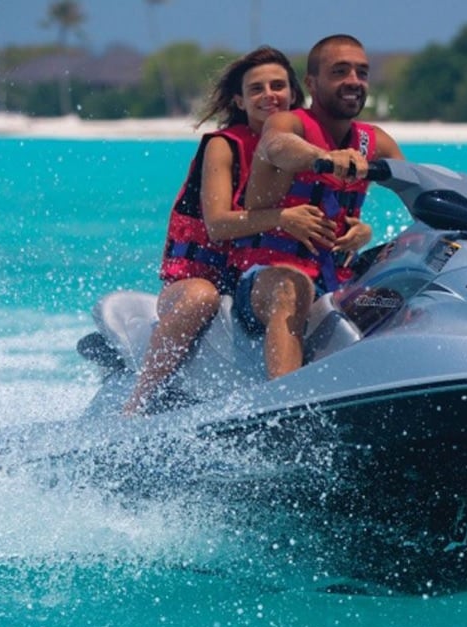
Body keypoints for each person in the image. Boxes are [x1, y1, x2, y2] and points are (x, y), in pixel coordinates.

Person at [123, 46, 331, 415]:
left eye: (278, 86)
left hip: (253, 276)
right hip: (197, 276)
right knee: (201, 297)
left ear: (294, 95)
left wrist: (358, 231)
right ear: (239, 99)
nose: (269, 95)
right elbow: (218, 225)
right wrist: (283, 218)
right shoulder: (224, 146)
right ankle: (137, 404)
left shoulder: (305, 147)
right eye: (256, 89)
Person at [233, 34, 405, 380]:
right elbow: (277, 146)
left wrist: (366, 230)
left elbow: (417, 186)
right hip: (265, 280)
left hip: (337, 280)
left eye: (362, 72)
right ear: (311, 82)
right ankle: (284, 412)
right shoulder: (287, 125)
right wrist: (323, 159)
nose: (354, 81)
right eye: (340, 71)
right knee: (292, 287)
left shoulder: (375, 140)